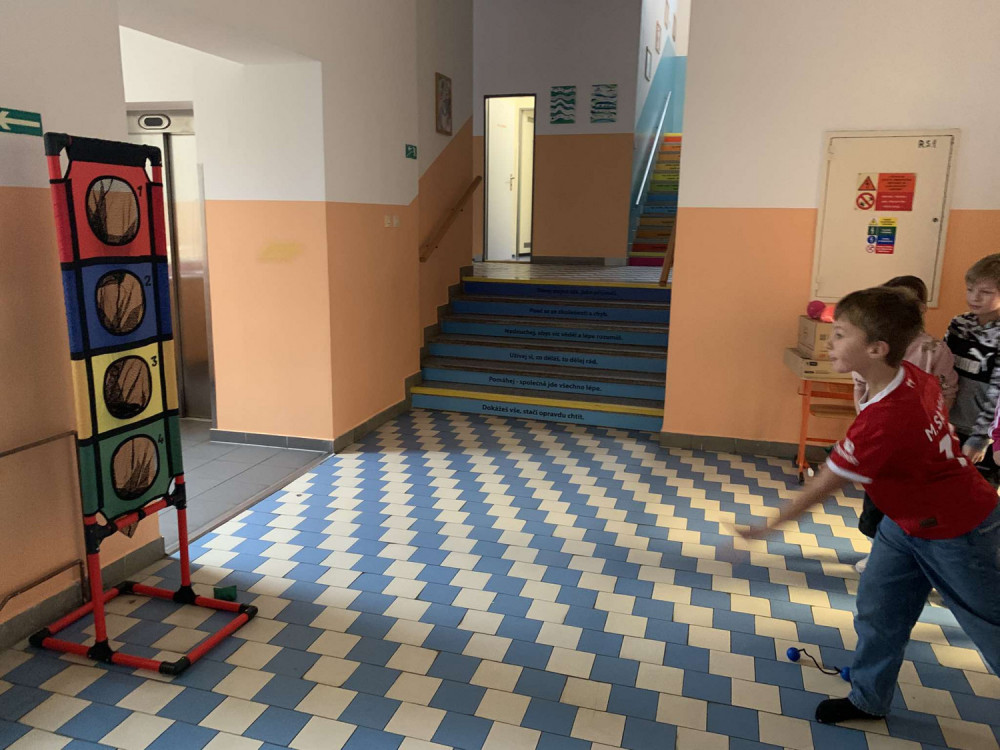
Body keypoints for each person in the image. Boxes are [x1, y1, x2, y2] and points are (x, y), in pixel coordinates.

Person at [740, 286, 1000, 726]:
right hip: (906, 522)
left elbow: (824, 484)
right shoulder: (911, 376)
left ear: (878, 349)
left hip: (959, 529)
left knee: (990, 624)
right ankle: (868, 699)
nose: (830, 343)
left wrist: (767, 526)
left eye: (841, 335)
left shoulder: (887, 418)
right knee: (880, 610)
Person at [851, 276, 957, 572]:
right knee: (876, 499)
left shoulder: (933, 350)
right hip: (879, 438)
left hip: (918, 443)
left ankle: (909, 556)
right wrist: (866, 418)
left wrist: (930, 424)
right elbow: (859, 386)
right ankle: (878, 549)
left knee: (911, 502)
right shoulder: (872, 346)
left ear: (920, 309)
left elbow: (946, 391)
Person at [944, 253, 1000, 483]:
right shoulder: (959, 324)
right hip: (949, 424)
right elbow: (943, 372)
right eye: (970, 289)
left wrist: (981, 437)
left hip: (982, 433)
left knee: (977, 491)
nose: (974, 297)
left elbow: (998, 392)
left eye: (985, 292)